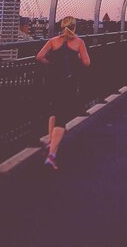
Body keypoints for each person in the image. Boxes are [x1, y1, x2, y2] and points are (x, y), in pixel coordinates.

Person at [36, 16, 90, 170]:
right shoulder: (79, 42)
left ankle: (50, 143)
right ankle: (51, 156)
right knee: (62, 117)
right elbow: (87, 63)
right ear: (74, 27)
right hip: (68, 82)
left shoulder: (53, 41)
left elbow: (39, 57)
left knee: (54, 110)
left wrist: (52, 65)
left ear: (61, 26)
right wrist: (77, 58)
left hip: (53, 81)